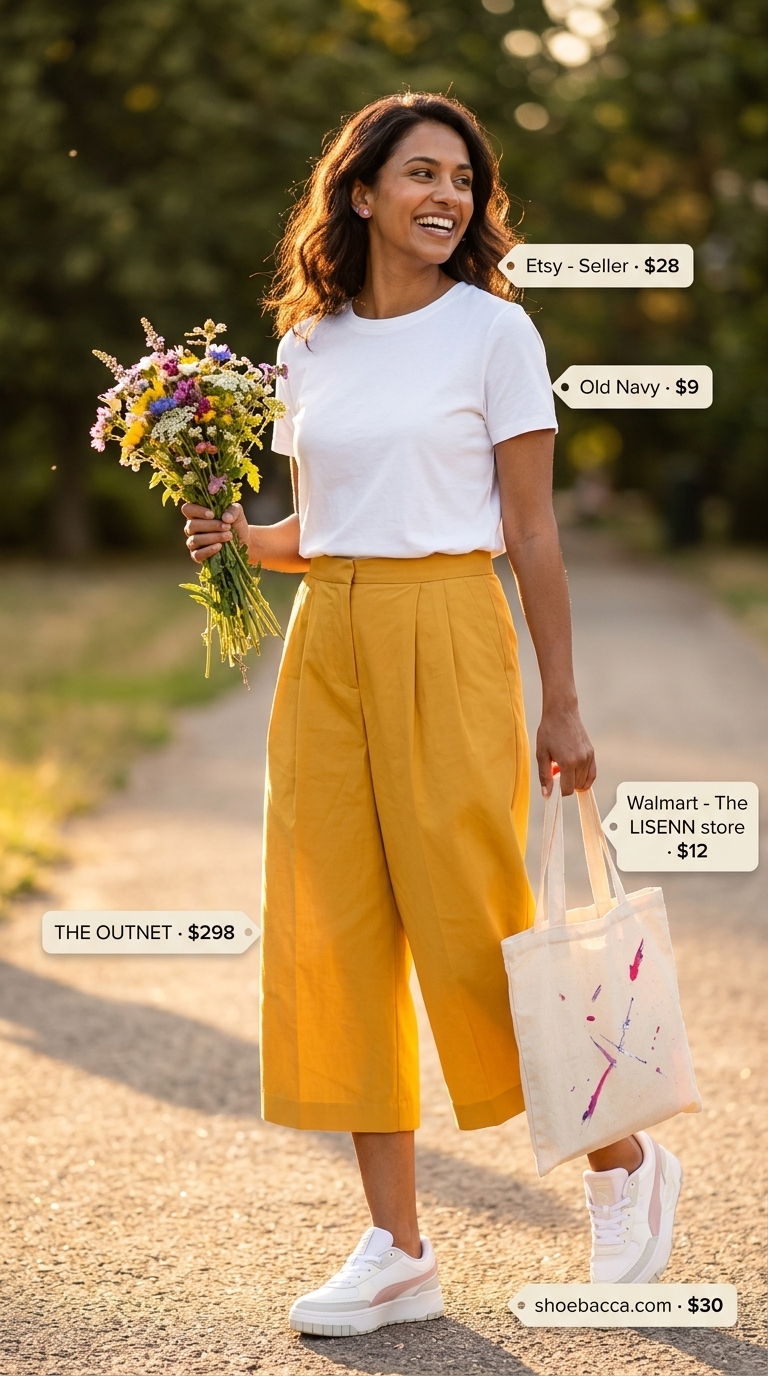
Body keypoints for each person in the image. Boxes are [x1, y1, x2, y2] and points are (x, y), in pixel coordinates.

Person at [181, 92, 682, 1336]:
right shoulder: (309, 344)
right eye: (419, 174)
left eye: (462, 177)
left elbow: (530, 530)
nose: (446, 196)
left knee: (474, 923)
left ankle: (623, 1163)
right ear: (358, 194)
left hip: (451, 624)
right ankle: (396, 1246)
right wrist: (242, 539)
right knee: (330, 922)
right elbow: (327, 525)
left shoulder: (494, 333)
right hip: (328, 639)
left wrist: (561, 699)